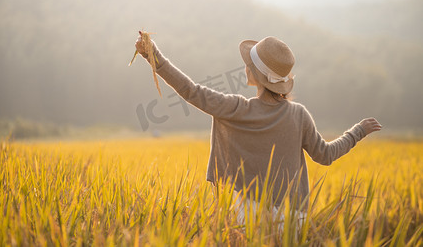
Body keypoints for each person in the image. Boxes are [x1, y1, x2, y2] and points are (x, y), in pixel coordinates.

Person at [134, 35, 382, 225]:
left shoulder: (236, 108)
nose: (245, 67)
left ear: (253, 74)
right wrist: (357, 132)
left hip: (246, 218)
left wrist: (153, 55)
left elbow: (191, 91)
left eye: (248, 64)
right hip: (292, 221)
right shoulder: (299, 115)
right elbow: (325, 155)